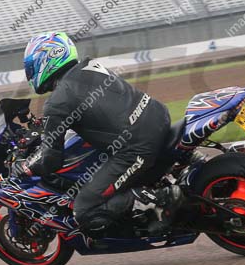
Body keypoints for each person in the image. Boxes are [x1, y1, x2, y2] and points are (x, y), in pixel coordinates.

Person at [10, 31, 184, 238]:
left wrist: (26, 167)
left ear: (47, 60)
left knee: (85, 210)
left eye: (31, 68)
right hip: (158, 116)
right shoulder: (88, 67)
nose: (30, 74)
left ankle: (161, 199)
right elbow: (98, 108)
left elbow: (51, 159)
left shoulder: (57, 102)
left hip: (137, 146)